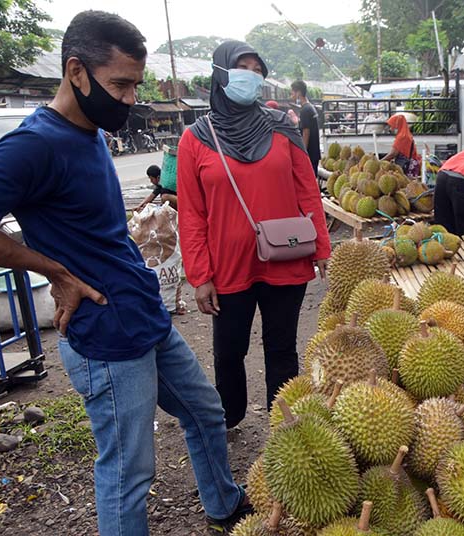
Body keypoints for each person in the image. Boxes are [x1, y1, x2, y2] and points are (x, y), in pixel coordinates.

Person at [0, 11, 252, 535]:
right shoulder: (35, 143)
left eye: (136, 84)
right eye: (121, 84)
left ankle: (225, 505)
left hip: (143, 317)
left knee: (206, 413)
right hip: (104, 336)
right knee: (130, 470)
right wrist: (54, 271)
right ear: (76, 73)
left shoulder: (89, 133)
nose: (131, 98)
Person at [178, 41, 331, 431]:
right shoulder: (195, 139)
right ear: (221, 73)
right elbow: (192, 214)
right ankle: (229, 417)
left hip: (287, 256)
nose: (252, 75)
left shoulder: (283, 126)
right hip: (228, 266)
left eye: (257, 69)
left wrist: (321, 246)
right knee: (229, 350)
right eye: (242, 67)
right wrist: (200, 275)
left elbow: (307, 190)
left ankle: (286, 425)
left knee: (281, 348)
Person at [290, 80, 321, 177]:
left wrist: (304, 153)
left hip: (310, 154)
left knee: (309, 180)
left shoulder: (305, 110)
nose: (291, 96)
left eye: (292, 93)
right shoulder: (311, 107)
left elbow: (306, 132)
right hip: (315, 152)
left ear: (298, 93)